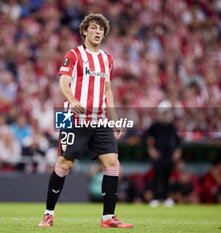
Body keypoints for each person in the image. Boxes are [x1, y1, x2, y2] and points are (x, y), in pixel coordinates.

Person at [38, 13, 133, 228]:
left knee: (112, 163)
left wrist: (115, 119)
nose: (98, 31)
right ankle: (48, 214)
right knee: (64, 164)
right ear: (84, 31)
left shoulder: (107, 59)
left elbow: (108, 90)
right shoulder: (73, 55)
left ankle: (108, 218)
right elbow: (63, 82)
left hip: (99, 120)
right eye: (93, 28)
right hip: (73, 118)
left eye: (101, 29)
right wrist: (71, 99)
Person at [143, 107, 181, 207]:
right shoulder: (154, 126)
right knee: (157, 177)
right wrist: (151, 149)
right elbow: (146, 138)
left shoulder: (171, 127)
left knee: (168, 178)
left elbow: (178, 141)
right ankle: (155, 198)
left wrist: (177, 151)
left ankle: (166, 198)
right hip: (158, 157)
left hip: (169, 157)